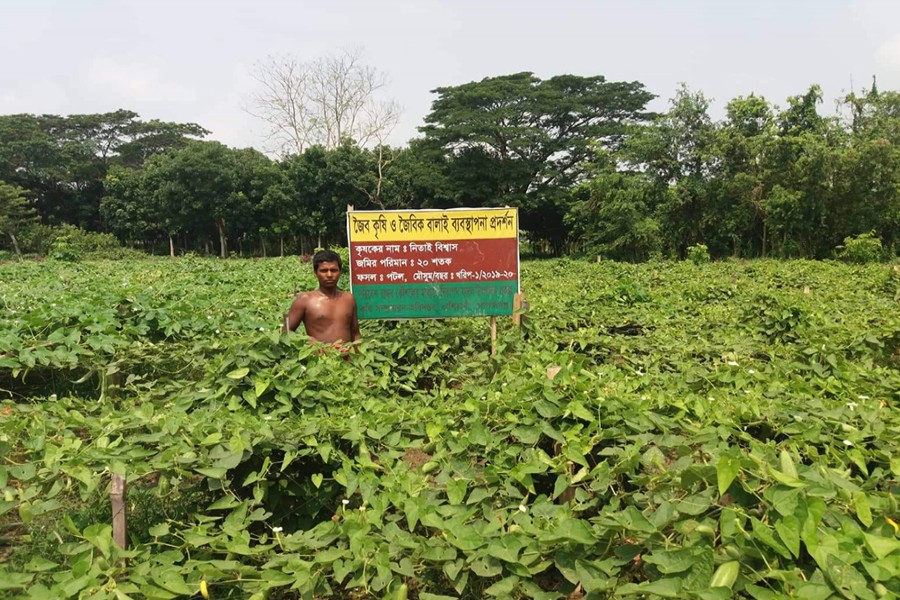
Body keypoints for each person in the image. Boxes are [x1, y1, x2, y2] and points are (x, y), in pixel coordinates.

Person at [283, 250, 361, 347]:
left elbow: (355, 334)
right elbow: (286, 332)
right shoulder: (305, 300)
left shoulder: (349, 299)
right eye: (324, 271)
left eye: (334, 270)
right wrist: (307, 340)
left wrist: (358, 358)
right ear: (316, 272)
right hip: (319, 360)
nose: (329, 275)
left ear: (340, 272)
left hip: (347, 358)